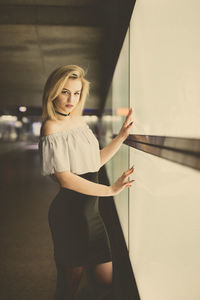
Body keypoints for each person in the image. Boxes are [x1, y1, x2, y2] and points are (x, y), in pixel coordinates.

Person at [38, 64, 134, 300]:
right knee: (69, 287)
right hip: (70, 217)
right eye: (65, 91)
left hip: (92, 214)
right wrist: (110, 190)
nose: (71, 98)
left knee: (106, 280)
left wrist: (121, 137)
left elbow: (94, 162)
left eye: (76, 92)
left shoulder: (79, 122)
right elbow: (65, 179)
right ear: (53, 92)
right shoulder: (51, 127)